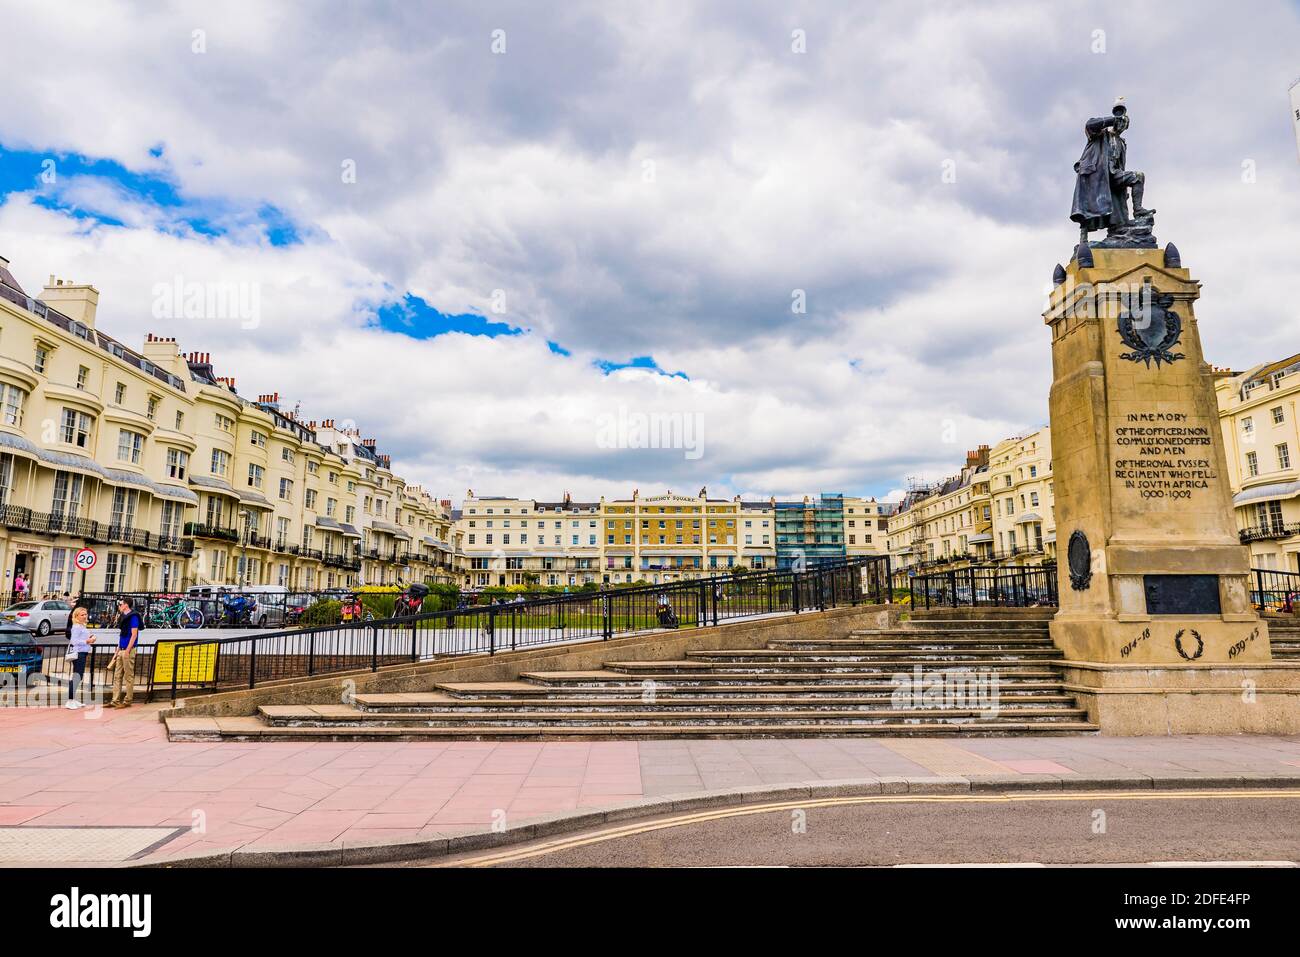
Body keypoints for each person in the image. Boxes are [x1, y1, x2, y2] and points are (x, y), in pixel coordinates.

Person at [109, 597, 140, 709]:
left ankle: (128, 700)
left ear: (126, 605)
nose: (119, 606)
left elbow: (134, 634)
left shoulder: (133, 617)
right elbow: (122, 634)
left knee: (128, 675)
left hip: (128, 650)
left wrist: (127, 650)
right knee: (117, 676)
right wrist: (118, 649)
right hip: (121, 649)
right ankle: (115, 700)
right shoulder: (123, 617)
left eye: (120, 604)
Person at [65, 606, 95, 710]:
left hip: (83, 653)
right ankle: (70, 701)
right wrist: (87, 641)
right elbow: (74, 641)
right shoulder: (77, 627)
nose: (84, 616)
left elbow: (83, 638)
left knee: (78, 676)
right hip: (79, 653)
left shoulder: (82, 626)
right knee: (77, 676)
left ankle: (73, 699)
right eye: (82, 615)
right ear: (76, 616)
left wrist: (91, 638)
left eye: (85, 614)